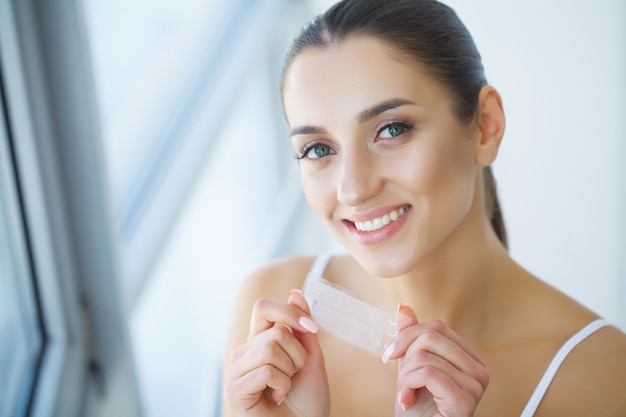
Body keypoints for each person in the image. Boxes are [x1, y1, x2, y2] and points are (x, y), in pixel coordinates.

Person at [222, 0, 626, 415]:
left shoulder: (604, 375)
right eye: (318, 148)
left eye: (392, 129)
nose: (353, 189)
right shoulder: (270, 318)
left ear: (485, 126)